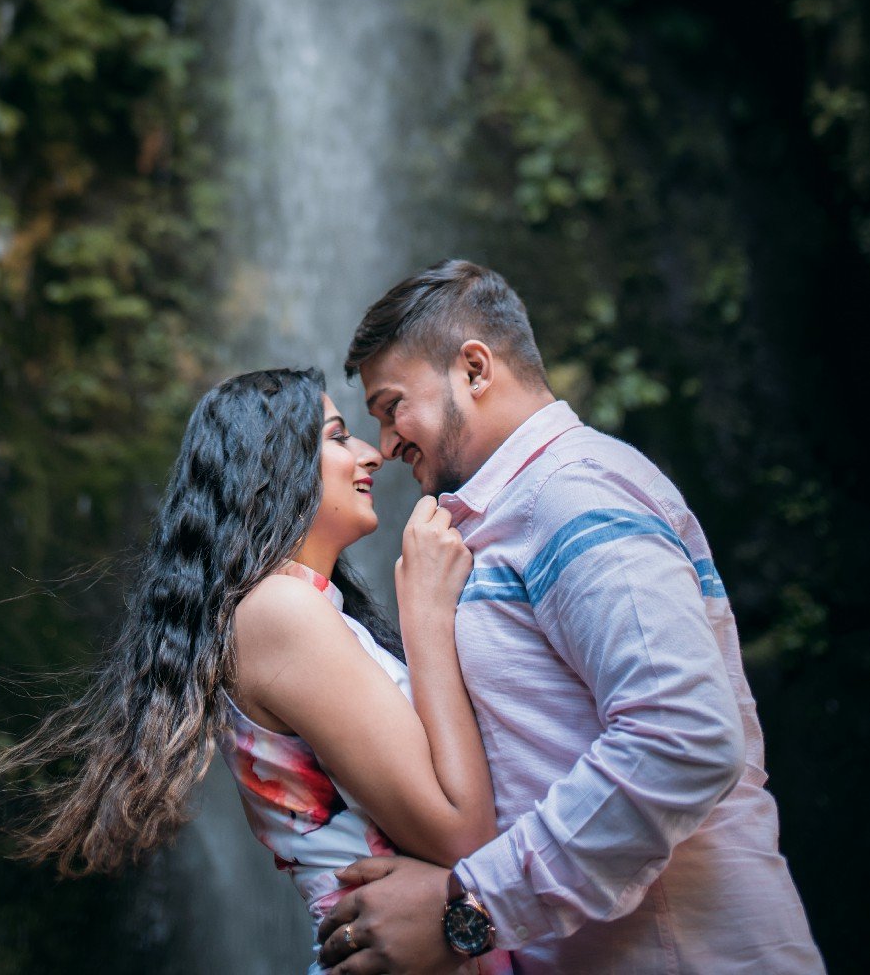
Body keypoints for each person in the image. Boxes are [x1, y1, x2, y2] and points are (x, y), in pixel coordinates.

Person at [317, 258, 825, 975]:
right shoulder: (507, 517)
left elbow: (681, 737)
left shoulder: (571, 494)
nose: (388, 443)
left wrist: (470, 909)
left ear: (472, 369)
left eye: (392, 404)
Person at [0, 366, 508, 975]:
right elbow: (466, 842)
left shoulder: (304, 609)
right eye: (336, 436)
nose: (370, 453)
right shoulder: (281, 611)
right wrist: (429, 613)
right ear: (271, 469)